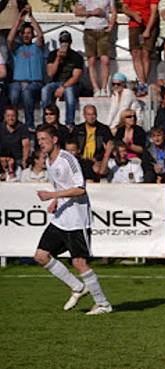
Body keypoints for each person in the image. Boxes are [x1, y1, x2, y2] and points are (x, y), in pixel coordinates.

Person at [32, 124, 112, 315]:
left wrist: (53, 195)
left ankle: (103, 304)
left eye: (44, 139)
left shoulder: (68, 160)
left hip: (77, 219)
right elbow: (63, 185)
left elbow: (80, 189)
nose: (40, 143)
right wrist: (57, 201)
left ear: (54, 139)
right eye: (39, 139)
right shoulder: (49, 161)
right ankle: (77, 287)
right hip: (61, 218)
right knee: (41, 256)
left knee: (79, 263)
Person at [8, 7, 45, 131]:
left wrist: (31, 16)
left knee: (27, 91)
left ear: (32, 34)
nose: (26, 35)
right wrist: (18, 20)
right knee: (13, 91)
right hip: (18, 82)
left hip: (35, 83)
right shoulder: (17, 49)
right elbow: (9, 39)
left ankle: (29, 124)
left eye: (29, 33)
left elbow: (40, 35)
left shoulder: (37, 48)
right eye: (24, 33)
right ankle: (13, 122)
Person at [42, 31, 84, 128]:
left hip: (71, 84)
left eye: (67, 41)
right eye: (63, 41)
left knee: (69, 92)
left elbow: (76, 77)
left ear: (70, 42)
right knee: (45, 90)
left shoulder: (76, 57)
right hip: (55, 82)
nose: (64, 44)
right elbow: (50, 74)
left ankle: (69, 122)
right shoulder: (53, 54)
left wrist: (63, 87)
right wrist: (58, 58)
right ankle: (46, 120)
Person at [75, 0, 116, 96]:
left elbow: (113, 11)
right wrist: (92, 12)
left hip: (103, 29)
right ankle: (95, 88)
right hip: (89, 29)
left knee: (105, 60)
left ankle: (104, 88)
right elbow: (77, 12)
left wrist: (111, 25)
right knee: (91, 60)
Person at [123, 0, 159, 95]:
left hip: (149, 24)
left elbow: (154, 12)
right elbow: (125, 8)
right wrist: (134, 14)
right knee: (135, 53)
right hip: (135, 24)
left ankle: (143, 83)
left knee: (146, 53)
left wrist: (148, 29)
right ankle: (142, 82)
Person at [74, 104, 114, 182]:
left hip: (97, 160)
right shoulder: (78, 129)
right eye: (89, 114)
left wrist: (97, 158)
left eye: (93, 114)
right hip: (81, 159)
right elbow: (73, 145)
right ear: (84, 116)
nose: (91, 117)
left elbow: (109, 146)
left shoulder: (103, 129)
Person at [0, 107, 31, 181]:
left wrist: (24, 160)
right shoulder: (0, 127)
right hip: (2, 158)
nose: (10, 118)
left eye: (13, 116)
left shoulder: (22, 127)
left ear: (17, 116)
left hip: (18, 159)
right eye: (8, 116)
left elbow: (26, 145)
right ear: (4, 117)